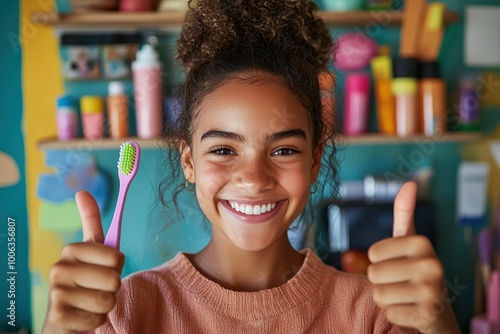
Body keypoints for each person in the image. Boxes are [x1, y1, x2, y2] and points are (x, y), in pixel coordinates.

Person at [43, 0, 461, 333]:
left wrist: (439, 324)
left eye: (283, 151)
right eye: (224, 150)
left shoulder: (374, 315)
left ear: (315, 160)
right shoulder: (125, 314)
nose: (254, 179)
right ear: (189, 161)